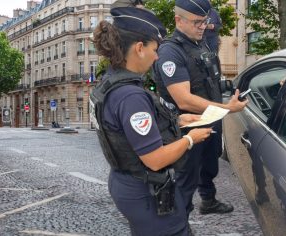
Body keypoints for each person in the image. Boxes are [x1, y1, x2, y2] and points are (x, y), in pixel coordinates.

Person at [90, 7, 213, 235]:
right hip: (145, 190)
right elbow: (155, 160)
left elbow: (128, 131)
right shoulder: (131, 96)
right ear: (139, 48)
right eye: (154, 49)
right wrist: (190, 139)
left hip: (127, 182)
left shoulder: (111, 82)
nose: (157, 56)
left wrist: (179, 120)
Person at [152, 0, 248, 218]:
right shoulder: (170, 51)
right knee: (186, 177)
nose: (202, 27)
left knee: (209, 164)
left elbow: (208, 79)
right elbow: (184, 99)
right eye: (197, 22)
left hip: (211, 118)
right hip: (187, 125)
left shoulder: (201, 43)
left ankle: (208, 200)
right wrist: (227, 108)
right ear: (179, 20)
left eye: (204, 22)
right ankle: (178, 224)